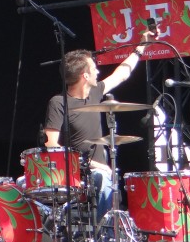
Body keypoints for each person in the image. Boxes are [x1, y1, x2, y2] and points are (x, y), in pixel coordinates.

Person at [44, 30, 153, 222]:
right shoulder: (59, 102)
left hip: (98, 172)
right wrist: (89, 164)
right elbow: (51, 145)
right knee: (102, 177)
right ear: (85, 75)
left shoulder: (95, 93)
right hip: (75, 173)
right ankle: (102, 233)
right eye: (94, 68)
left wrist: (141, 46)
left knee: (104, 177)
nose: (98, 72)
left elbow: (122, 74)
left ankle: (107, 230)